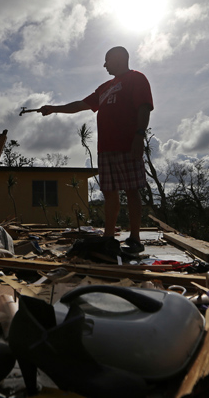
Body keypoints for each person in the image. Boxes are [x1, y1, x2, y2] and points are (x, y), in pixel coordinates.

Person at [38, 46, 153, 253]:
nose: (104, 65)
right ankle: (109, 237)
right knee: (109, 192)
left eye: (107, 60)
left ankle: (135, 238)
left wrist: (139, 135)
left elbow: (144, 107)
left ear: (118, 59)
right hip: (106, 148)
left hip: (128, 144)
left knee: (132, 190)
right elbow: (81, 104)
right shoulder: (104, 87)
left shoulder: (136, 79)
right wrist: (54, 109)